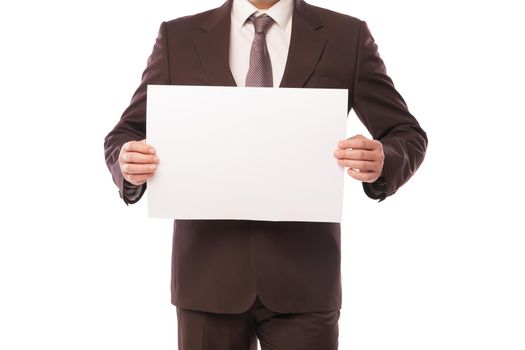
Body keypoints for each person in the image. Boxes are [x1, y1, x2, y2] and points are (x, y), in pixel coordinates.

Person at [103, 0, 427, 348]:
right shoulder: (177, 37)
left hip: (305, 281)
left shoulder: (346, 36)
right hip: (207, 280)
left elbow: (407, 135)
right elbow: (125, 134)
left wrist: (383, 159)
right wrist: (126, 163)